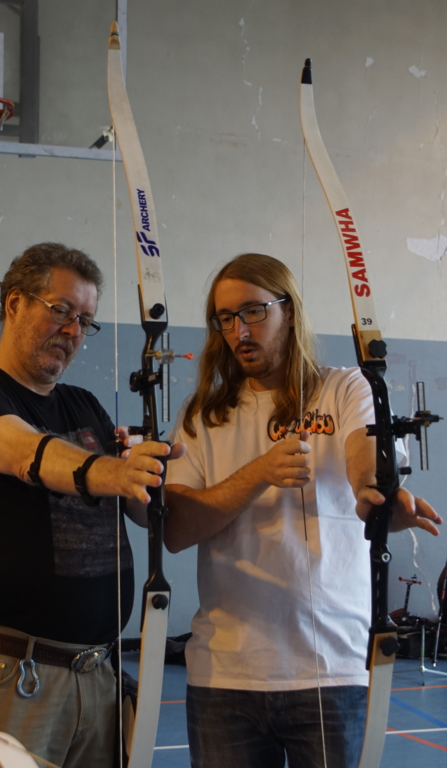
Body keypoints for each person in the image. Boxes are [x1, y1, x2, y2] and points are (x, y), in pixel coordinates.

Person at [164, 252, 442, 768]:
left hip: (332, 669)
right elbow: (176, 530)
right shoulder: (202, 415)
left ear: (289, 311)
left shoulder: (345, 388)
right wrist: (259, 473)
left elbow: (365, 458)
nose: (239, 331)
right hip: (225, 674)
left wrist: (377, 499)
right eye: (225, 318)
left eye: (253, 311)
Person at [0, 242, 184, 768]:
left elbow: (141, 507)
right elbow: (24, 451)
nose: (73, 331)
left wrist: (154, 470)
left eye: (85, 321)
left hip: (95, 676)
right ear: (15, 303)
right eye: (61, 310)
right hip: (5, 675)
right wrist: (112, 471)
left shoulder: (83, 404)